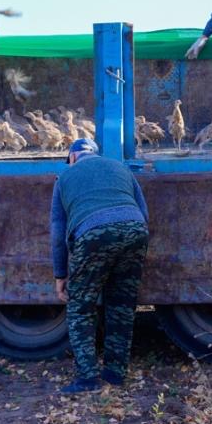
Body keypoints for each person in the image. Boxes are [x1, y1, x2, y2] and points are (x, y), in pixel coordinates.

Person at [50, 138, 149, 393]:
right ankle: (115, 374)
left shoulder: (64, 178)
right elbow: (144, 213)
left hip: (93, 232)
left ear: (72, 158)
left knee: (81, 307)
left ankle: (87, 378)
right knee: (121, 305)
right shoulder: (120, 168)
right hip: (135, 229)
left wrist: (61, 274)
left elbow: (58, 231)